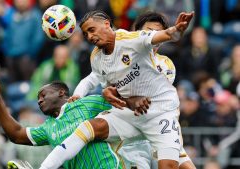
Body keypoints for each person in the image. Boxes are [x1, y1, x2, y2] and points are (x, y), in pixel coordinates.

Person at [40, 10, 195, 169]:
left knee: (171, 164)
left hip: (160, 111)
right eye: (86, 34)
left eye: (92, 30)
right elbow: (108, 87)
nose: (90, 37)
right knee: (88, 128)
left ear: (107, 24)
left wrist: (178, 30)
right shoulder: (96, 58)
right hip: (130, 113)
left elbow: (170, 35)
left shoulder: (132, 40)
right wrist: (104, 93)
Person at [0, 78, 150, 169]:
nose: (39, 100)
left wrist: (138, 101)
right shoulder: (48, 127)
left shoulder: (87, 103)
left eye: (43, 95)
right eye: (37, 98)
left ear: (61, 92)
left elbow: (121, 102)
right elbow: (17, 134)